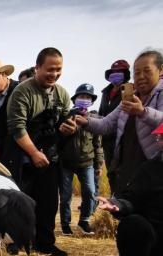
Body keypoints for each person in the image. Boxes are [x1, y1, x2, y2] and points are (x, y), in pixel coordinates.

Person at [6, 47, 73, 256]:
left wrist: (68, 128)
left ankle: (45, 243)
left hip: (50, 154)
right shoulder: (22, 91)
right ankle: (16, 241)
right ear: (37, 68)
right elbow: (17, 128)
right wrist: (33, 153)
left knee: (49, 202)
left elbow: (64, 121)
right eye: (50, 69)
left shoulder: (61, 93)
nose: (54, 74)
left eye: (58, 69)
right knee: (21, 200)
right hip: (24, 153)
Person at [76, 50, 163, 196]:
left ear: (160, 70)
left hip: (153, 169)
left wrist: (143, 112)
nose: (141, 77)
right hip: (127, 166)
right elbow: (106, 124)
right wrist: (85, 121)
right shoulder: (129, 97)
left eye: (147, 71)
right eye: (137, 73)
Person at [97, 123, 163, 256]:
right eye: (160, 138)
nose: (160, 141)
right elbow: (131, 199)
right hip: (154, 237)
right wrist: (118, 205)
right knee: (133, 224)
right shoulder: (149, 169)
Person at [58, 83, 103, 236]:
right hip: (66, 163)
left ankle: (84, 221)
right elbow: (58, 139)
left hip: (87, 163)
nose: (85, 99)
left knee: (90, 192)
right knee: (65, 195)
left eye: (88, 97)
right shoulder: (65, 116)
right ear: (75, 99)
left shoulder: (94, 120)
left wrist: (98, 166)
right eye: (82, 96)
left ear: (91, 101)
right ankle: (65, 224)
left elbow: (98, 145)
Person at [98, 59, 131, 192]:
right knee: (111, 173)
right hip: (107, 140)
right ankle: (114, 200)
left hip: (122, 140)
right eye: (113, 72)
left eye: (119, 72)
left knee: (122, 173)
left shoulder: (130, 90)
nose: (116, 74)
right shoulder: (106, 92)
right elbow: (102, 114)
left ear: (126, 74)